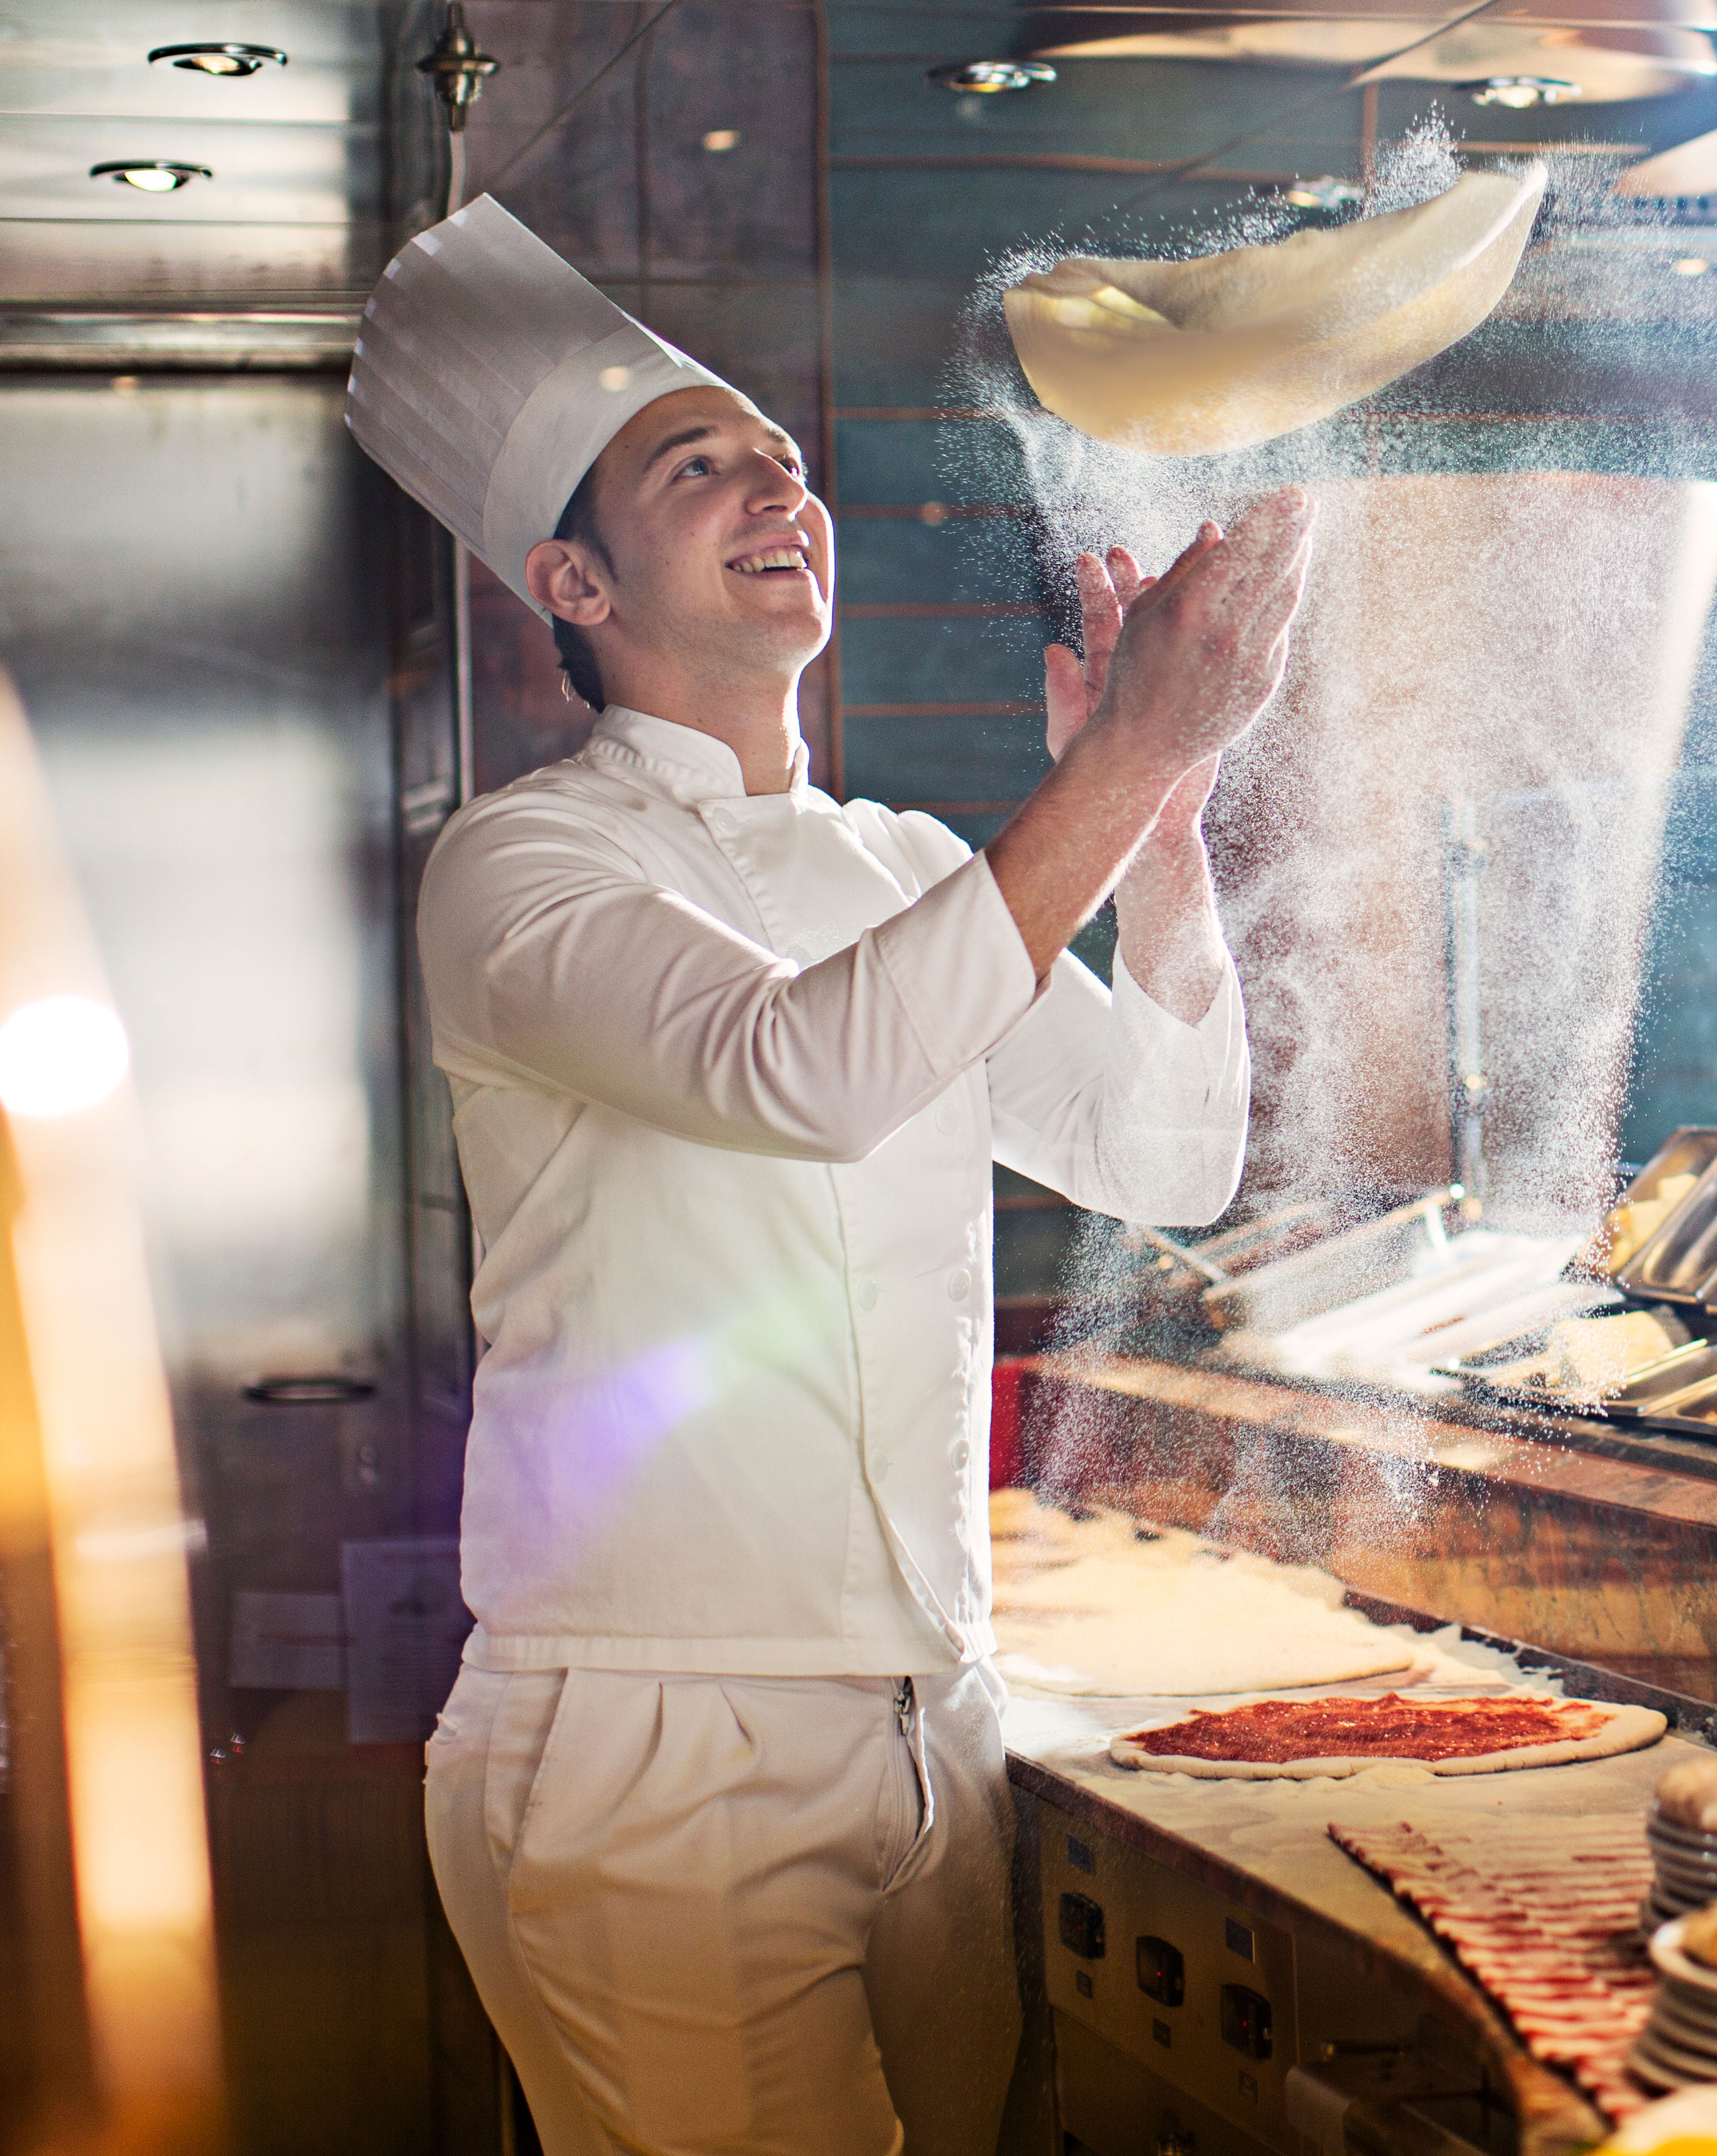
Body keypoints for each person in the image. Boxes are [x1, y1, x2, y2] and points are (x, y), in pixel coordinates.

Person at [342, 181, 1526, 2155]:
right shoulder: (521, 865)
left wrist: (1160, 832)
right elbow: (797, 1066)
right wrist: (1116, 763)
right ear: (573, 584)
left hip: (935, 1717)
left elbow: (1161, 1154)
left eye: (780, 460)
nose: (769, 487)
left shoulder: (901, 862)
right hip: (653, 1735)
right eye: (694, 466)